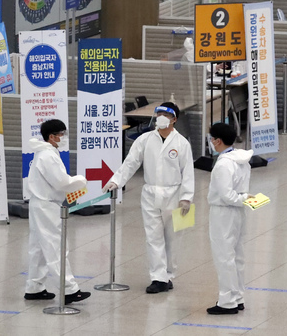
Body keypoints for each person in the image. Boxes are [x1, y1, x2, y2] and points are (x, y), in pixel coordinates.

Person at [103, 102, 194, 293]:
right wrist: (116, 181)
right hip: (151, 194)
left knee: (173, 238)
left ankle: (169, 275)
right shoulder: (145, 140)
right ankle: (158, 278)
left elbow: (188, 172)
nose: (160, 117)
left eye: (165, 114)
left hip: (175, 194)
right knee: (153, 237)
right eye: (158, 113)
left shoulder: (182, 143)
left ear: (174, 119)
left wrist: (186, 197)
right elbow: (130, 162)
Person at [24, 119, 91, 304]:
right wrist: (81, 180)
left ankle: (34, 287)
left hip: (40, 204)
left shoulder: (46, 153)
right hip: (47, 206)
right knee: (55, 247)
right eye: (61, 134)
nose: (64, 137)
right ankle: (69, 290)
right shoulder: (48, 156)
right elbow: (62, 182)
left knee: (38, 248)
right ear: (51, 137)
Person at [206, 123, 253, 315]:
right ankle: (238, 296)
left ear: (217, 141)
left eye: (211, 139)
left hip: (223, 212)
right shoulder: (242, 159)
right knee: (236, 255)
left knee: (224, 256)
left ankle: (227, 301)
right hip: (239, 212)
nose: (210, 142)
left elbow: (226, 195)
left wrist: (240, 199)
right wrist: (244, 199)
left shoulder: (224, 164)